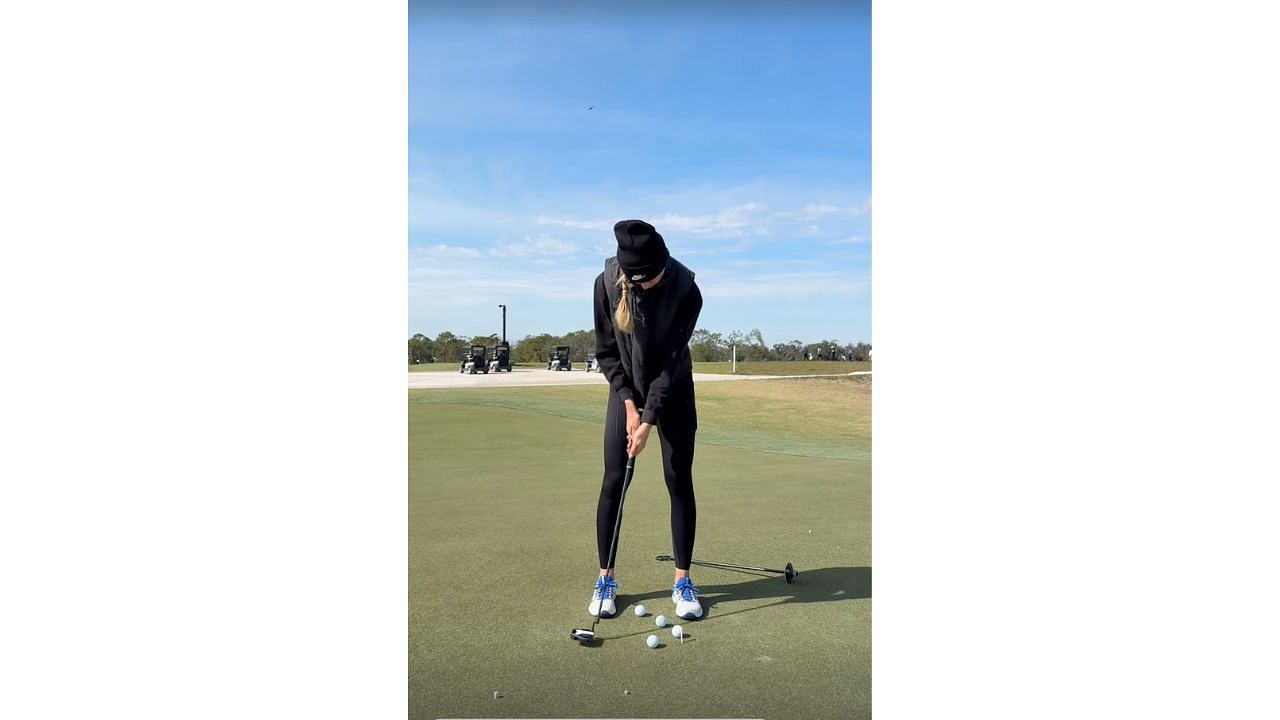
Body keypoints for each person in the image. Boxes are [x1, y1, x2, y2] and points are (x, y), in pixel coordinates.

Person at [587, 219, 705, 622]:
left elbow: (669, 364)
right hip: (625, 393)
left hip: (673, 390)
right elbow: (606, 352)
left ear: (663, 265)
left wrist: (649, 420)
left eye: (650, 279)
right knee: (614, 480)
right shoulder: (606, 284)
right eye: (637, 282)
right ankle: (605, 578)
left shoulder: (686, 290)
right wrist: (629, 406)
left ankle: (683, 580)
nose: (644, 287)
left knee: (677, 479)